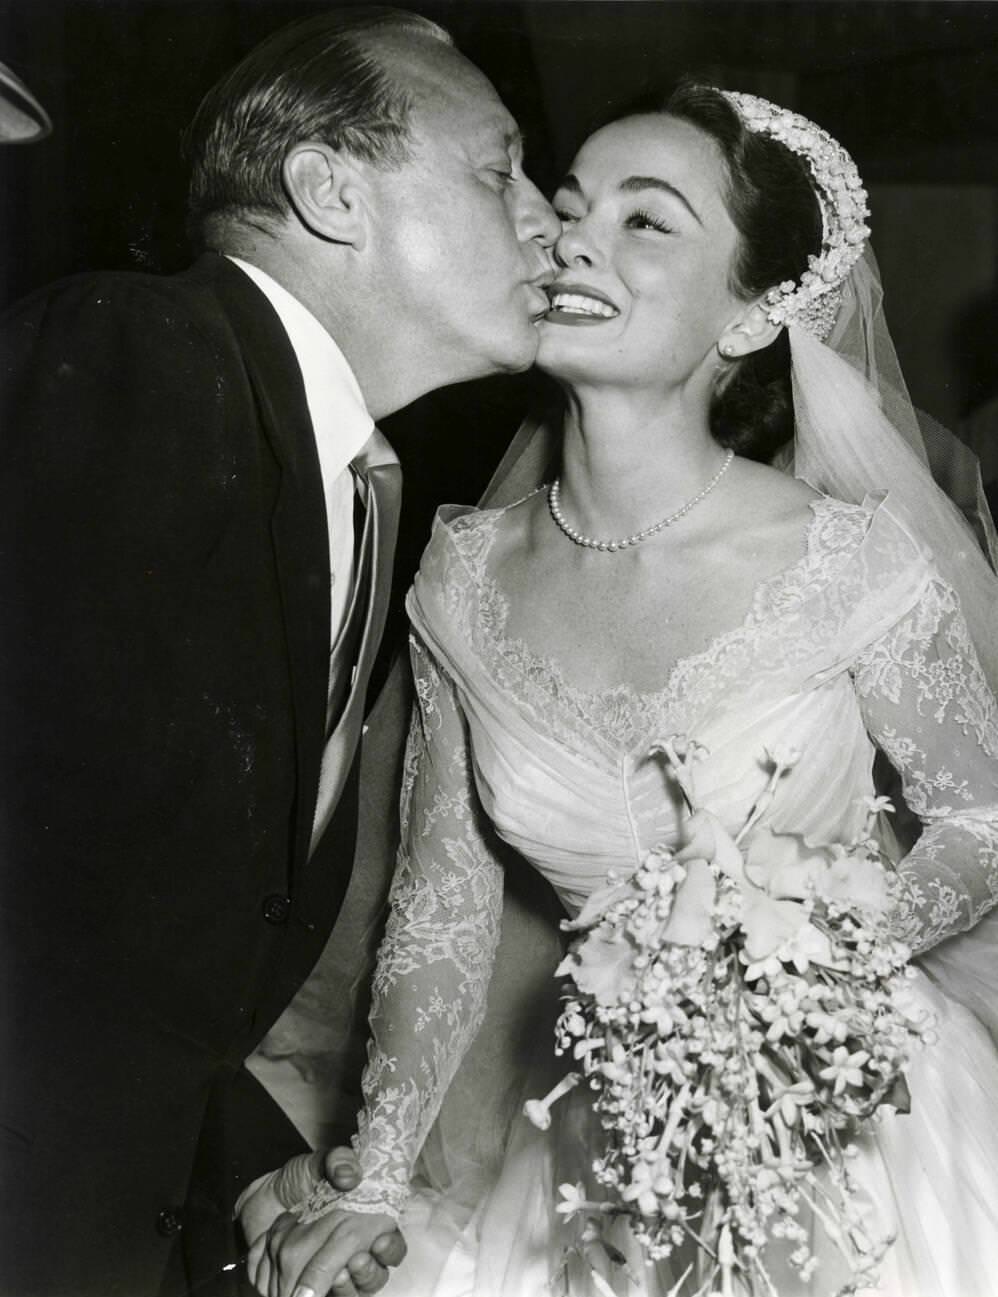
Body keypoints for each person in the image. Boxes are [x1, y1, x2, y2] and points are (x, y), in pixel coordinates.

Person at [247, 81, 998, 1297]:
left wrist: (807, 967)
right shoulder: (463, 576)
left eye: (647, 221)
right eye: (570, 201)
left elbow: (979, 821)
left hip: (862, 1115)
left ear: (753, 316)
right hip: (599, 1151)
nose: (573, 237)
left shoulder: (847, 560)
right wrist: (378, 1175)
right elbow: (442, 908)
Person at [0, 8, 559, 1296]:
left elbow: (138, 930)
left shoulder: (354, 476)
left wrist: (247, 1167)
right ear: (328, 191)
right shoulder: (137, 352)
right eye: (497, 169)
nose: (542, 218)